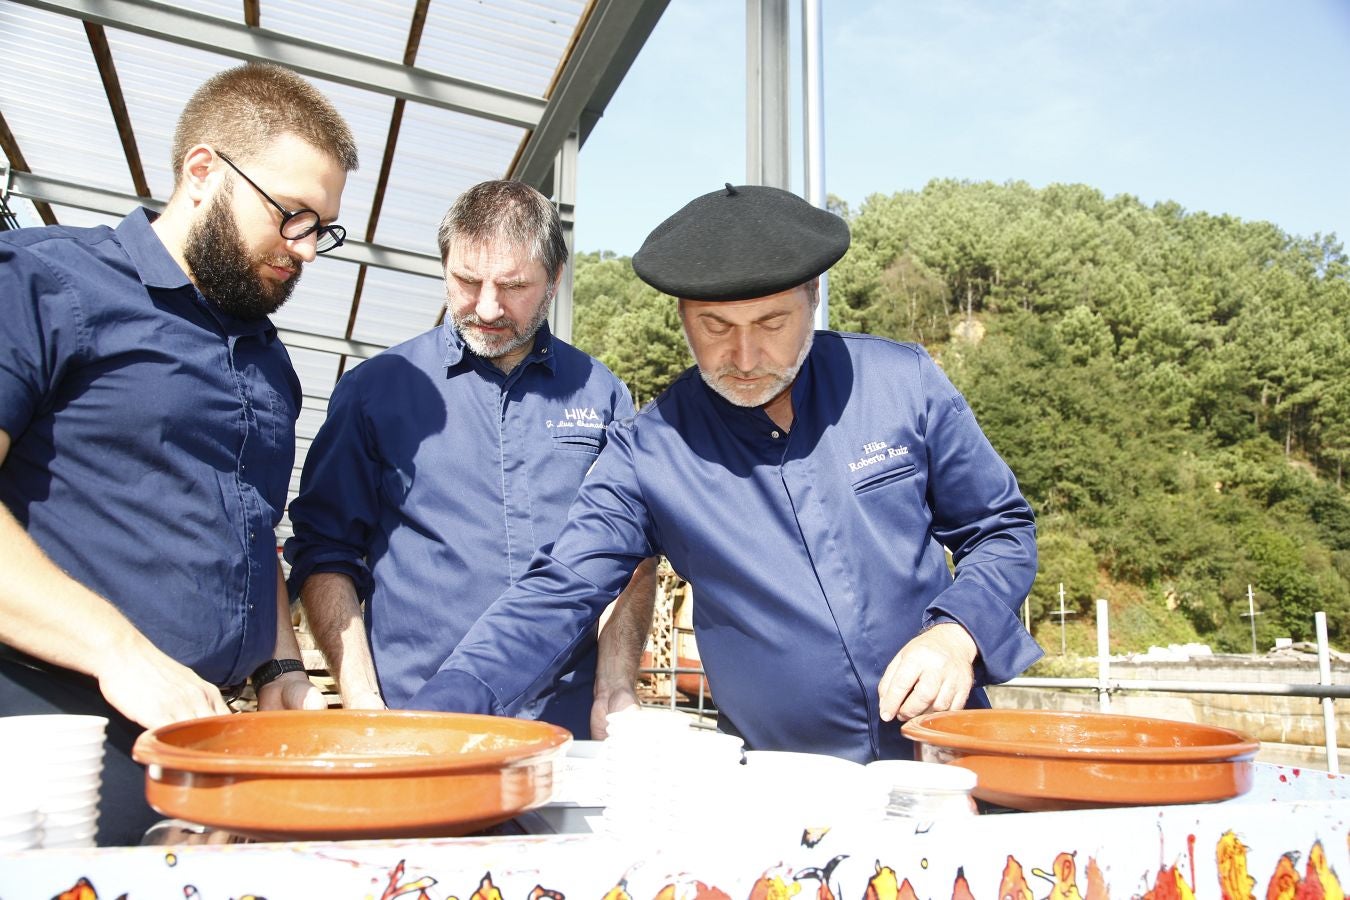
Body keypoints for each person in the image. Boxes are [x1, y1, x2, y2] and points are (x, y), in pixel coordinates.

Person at [409, 184, 1043, 762]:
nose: (743, 357)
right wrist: (446, 708)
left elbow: (1002, 529)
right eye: (714, 327)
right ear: (682, 314)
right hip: (780, 780)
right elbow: (559, 588)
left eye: (772, 324)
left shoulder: (902, 385)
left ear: (813, 298)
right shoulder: (647, 450)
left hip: (945, 751)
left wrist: (957, 634)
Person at [0, 63, 358, 845]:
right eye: (291, 214)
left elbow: (248, 536)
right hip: (44, 732)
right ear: (203, 171)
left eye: (321, 227)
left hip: (199, 745)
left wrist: (280, 669)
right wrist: (117, 650)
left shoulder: (270, 363)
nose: (306, 250)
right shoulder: (45, 283)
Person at [284, 180, 656, 739]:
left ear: (555, 279)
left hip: (566, 728)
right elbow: (326, 552)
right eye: (465, 280)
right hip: (420, 722)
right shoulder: (375, 391)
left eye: (513, 286)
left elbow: (631, 558)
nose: (486, 306)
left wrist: (615, 686)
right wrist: (362, 701)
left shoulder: (601, 394)